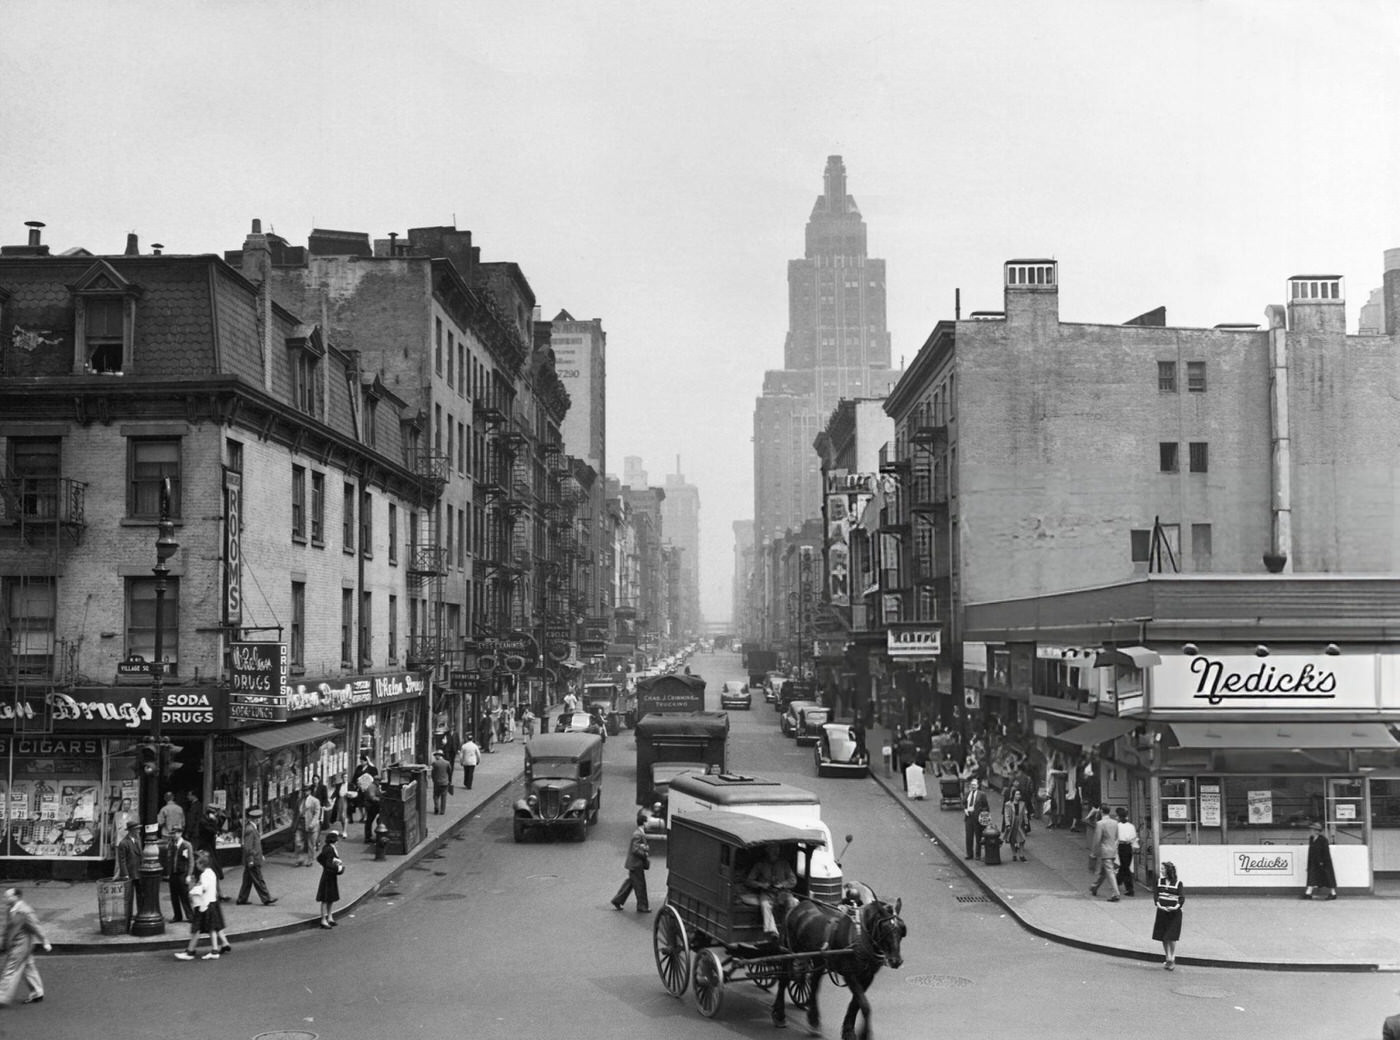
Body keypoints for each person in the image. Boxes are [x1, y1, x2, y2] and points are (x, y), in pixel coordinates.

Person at [0, 887, 50, 1005]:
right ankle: (37, 992)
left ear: (16, 897)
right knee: (28, 968)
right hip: (16, 944)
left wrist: (45, 941)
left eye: (7, 896)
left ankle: (2, 995)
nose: (5, 898)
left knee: (10, 969)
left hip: (21, 946)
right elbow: (9, 928)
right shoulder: (10, 909)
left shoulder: (25, 911)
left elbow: (35, 926)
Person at [177, 849, 228, 960]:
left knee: (197, 928)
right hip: (211, 903)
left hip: (204, 905)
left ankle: (190, 952)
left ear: (201, 864)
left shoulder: (205, 875)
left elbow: (204, 888)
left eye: (197, 864)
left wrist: (192, 891)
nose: (196, 866)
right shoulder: (212, 873)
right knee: (212, 928)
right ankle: (216, 949)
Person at [742, 843, 798, 937]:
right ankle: (772, 931)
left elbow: (793, 880)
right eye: (773, 849)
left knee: (792, 902)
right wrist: (762, 885)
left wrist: (782, 884)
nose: (775, 851)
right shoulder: (760, 865)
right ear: (767, 850)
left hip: (782, 893)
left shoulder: (784, 864)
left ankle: (789, 929)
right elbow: (749, 881)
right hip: (767, 893)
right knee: (765, 905)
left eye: (777, 849)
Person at [610, 810, 652, 913]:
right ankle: (642, 906)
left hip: (634, 864)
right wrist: (645, 852)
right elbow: (635, 849)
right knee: (640, 886)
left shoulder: (639, 833)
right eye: (647, 822)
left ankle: (617, 900)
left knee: (631, 883)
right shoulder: (638, 834)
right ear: (644, 823)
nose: (649, 824)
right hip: (636, 864)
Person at [235, 807, 277, 906]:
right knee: (259, 879)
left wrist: (260, 855)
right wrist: (251, 860)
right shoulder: (250, 830)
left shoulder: (251, 828)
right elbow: (248, 847)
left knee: (247, 880)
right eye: (259, 818)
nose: (260, 820)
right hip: (253, 860)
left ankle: (242, 899)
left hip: (253, 858)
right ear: (256, 819)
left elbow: (254, 845)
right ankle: (266, 898)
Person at [1152, 860, 1185, 970]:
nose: (1161, 871)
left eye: (1163, 869)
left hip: (1174, 913)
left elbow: (1181, 898)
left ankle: (1172, 957)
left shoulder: (1178, 883)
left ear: (1168, 871)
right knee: (1163, 936)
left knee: (1171, 936)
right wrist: (1158, 905)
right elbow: (1156, 895)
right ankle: (1168, 957)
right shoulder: (1159, 881)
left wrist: (1175, 907)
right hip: (1162, 912)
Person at [114, 819, 143, 931]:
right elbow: (122, 861)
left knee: (141, 895)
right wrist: (125, 874)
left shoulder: (137, 840)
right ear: (131, 831)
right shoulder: (124, 843)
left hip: (139, 872)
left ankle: (140, 913)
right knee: (129, 897)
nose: (138, 831)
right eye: (137, 829)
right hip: (130, 874)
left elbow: (141, 856)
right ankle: (128, 916)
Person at [1089, 803, 1121, 901]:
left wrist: (1093, 852)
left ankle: (1116, 893)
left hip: (1104, 850)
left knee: (1110, 872)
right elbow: (1116, 837)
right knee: (1104, 871)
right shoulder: (1115, 822)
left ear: (1101, 811)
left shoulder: (1100, 824)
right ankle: (1095, 886)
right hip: (1113, 849)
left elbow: (1097, 839)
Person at [165, 826, 196, 923]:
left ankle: (190, 915)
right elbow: (169, 859)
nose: (174, 835)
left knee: (184, 895)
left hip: (182, 873)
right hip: (173, 874)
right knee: (174, 896)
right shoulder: (171, 845)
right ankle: (177, 915)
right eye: (173, 834)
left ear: (180, 833)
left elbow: (191, 861)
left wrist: (189, 875)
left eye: (176, 833)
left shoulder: (187, 845)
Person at [1302, 820, 1338, 900]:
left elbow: (1326, 852)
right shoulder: (1311, 839)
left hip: (1323, 862)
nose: (1310, 831)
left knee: (1327, 877)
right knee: (1312, 876)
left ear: (1317, 831)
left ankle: (1333, 893)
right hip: (1314, 862)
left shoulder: (1323, 840)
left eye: (1312, 830)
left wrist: (1322, 861)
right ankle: (1308, 892)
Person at [316, 830, 345, 928]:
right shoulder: (329, 849)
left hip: (330, 875)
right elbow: (328, 863)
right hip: (328, 876)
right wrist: (338, 868)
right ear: (334, 841)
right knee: (325, 898)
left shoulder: (328, 848)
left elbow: (319, 858)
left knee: (330, 897)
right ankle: (323, 919)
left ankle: (329, 917)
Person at [195, 805, 226, 881]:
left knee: (212, 864)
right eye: (214, 814)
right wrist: (214, 822)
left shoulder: (211, 820)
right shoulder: (203, 821)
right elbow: (212, 830)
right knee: (210, 863)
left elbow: (222, 820)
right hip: (205, 845)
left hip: (210, 845)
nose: (215, 816)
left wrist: (218, 815)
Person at [1115, 807, 1139, 896]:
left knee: (1125, 867)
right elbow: (1134, 838)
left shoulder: (1118, 826)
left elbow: (1116, 838)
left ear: (1119, 817)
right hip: (1129, 846)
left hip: (1121, 846)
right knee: (1125, 865)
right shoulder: (1131, 826)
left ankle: (1129, 888)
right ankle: (1118, 882)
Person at [963, 778, 989, 860]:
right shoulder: (967, 794)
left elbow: (986, 807)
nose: (973, 786)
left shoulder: (982, 794)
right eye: (971, 785)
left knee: (978, 836)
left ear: (977, 786)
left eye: (974, 785)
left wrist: (982, 814)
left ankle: (978, 854)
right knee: (968, 836)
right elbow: (964, 803)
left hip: (977, 818)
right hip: (969, 817)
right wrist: (965, 809)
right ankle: (969, 854)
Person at [296, 786, 322, 867]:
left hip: (311, 824)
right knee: (298, 842)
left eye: (306, 791)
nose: (304, 792)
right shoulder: (299, 800)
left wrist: (312, 823)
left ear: (310, 791)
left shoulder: (315, 801)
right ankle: (300, 859)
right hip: (301, 823)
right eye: (303, 791)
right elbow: (297, 812)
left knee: (311, 844)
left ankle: (310, 860)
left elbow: (317, 813)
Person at [1002, 786, 1029, 862]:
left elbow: (1025, 814)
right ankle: (1014, 854)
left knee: (1022, 839)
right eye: (1017, 794)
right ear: (1013, 795)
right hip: (1012, 823)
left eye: (1019, 794)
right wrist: (1008, 824)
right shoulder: (1008, 804)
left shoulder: (1022, 804)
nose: (1018, 796)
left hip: (1020, 823)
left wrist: (1026, 823)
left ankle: (1021, 855)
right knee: (1012, 840)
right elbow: (1006, 815)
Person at [430, 748, 452, 815]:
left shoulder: (435, 763)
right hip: (445, 782)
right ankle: (442, 811)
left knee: (436, 796)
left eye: (436, 756)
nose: (435, 757)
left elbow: (432, 773)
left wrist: (434, 780)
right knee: (444, 797)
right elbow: (449, 772)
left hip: (437, 782)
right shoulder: (447, 763)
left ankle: (436, 807)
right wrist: (449, 780)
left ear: (439, 756)